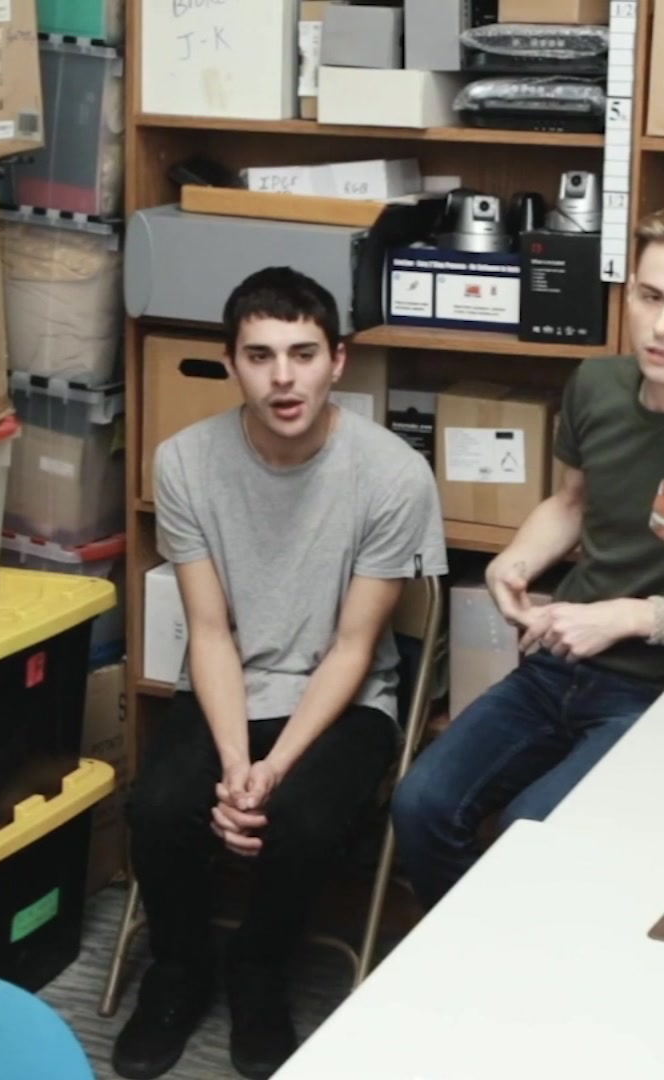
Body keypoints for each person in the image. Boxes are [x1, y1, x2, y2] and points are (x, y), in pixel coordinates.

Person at [390, 203, 664, 908]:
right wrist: (515, 560)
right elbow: (574, 501)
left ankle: (513, 955)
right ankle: (485, 956)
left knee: (531, 830)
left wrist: (631, 615)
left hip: (660, 691)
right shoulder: (596, 385)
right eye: (650, 296)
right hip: (560, 665)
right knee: (420, 805)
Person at [114, 267, 448, 1080]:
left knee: (302, 818)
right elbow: (210, 632)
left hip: (344, 696)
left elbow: (353, 649)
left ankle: (258, 969)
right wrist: (238, 765)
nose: (283, 378)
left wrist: (273, 771)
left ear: (338, 361)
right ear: (232, 363)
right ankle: (179, 969)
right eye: (260, 356)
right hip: (230, 682)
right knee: (157, 805)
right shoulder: (184, 462)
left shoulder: (393, 474)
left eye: (303, 354)